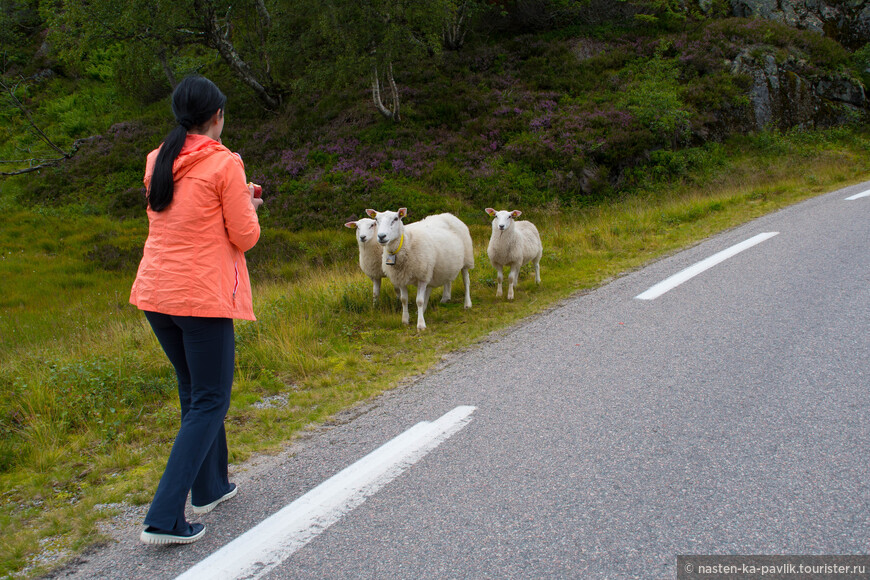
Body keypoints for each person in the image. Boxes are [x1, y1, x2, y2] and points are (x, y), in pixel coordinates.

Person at [130, 75, 263, 545]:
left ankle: (210, 487)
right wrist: (249, 202)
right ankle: (164, 518)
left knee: (195, 393)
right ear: (217, 116)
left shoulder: (157, 158)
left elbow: (184, 215)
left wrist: (238, 199)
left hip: (155, 293)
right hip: (200, 297)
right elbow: (245, 236)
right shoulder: (224, 162)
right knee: (211, 399)